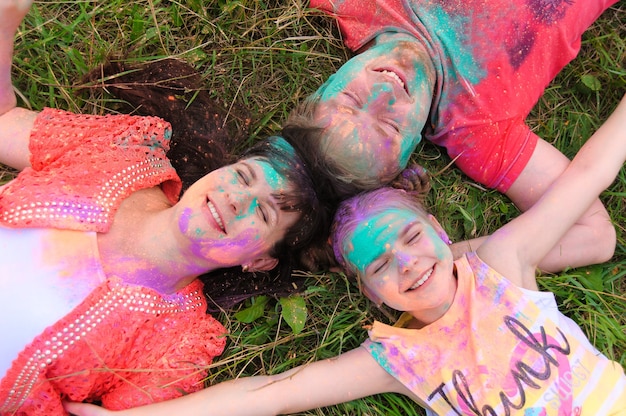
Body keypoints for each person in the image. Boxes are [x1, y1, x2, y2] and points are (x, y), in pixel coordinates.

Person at [65, 93, 626, 415]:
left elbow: (590, 172)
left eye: (409, 239)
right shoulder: (402, 359)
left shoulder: (503, 261)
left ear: (437, 229)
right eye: (380, 266)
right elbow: (265, 396)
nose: (405, 262)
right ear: (371, 295)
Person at [0, 1, 327, 414]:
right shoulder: (122, 154)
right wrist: (6, 17)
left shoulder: (179, 344)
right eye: (244, 176)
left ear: (260, 261)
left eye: (263, 213)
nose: (236, 199)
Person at [282, 0, 618, 272]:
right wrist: (440, 259)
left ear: (325, 87)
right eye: (391, 126)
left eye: (350, 101)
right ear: (409, 153)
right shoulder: (477, 132)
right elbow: (593, 235)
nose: (384, 93)